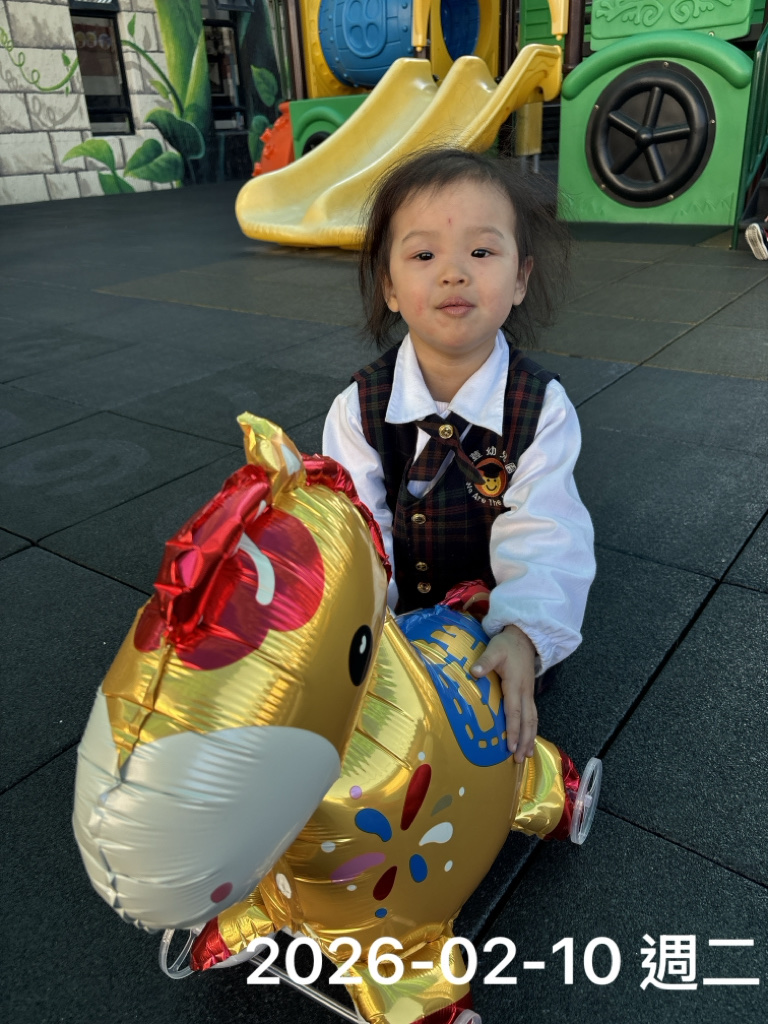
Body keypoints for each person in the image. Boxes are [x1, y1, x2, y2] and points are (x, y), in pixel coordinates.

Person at [323, 147, 595, 767]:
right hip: (396, 633)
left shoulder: (540, 409)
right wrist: (371, 639)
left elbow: (548, 531)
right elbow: (358, 535)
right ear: (390, 286)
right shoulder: (359, 408)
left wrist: (524, 631)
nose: (453, 273)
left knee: (493, 720)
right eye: (424, 256)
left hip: (493, 629)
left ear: (520, 278)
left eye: (481, 252)